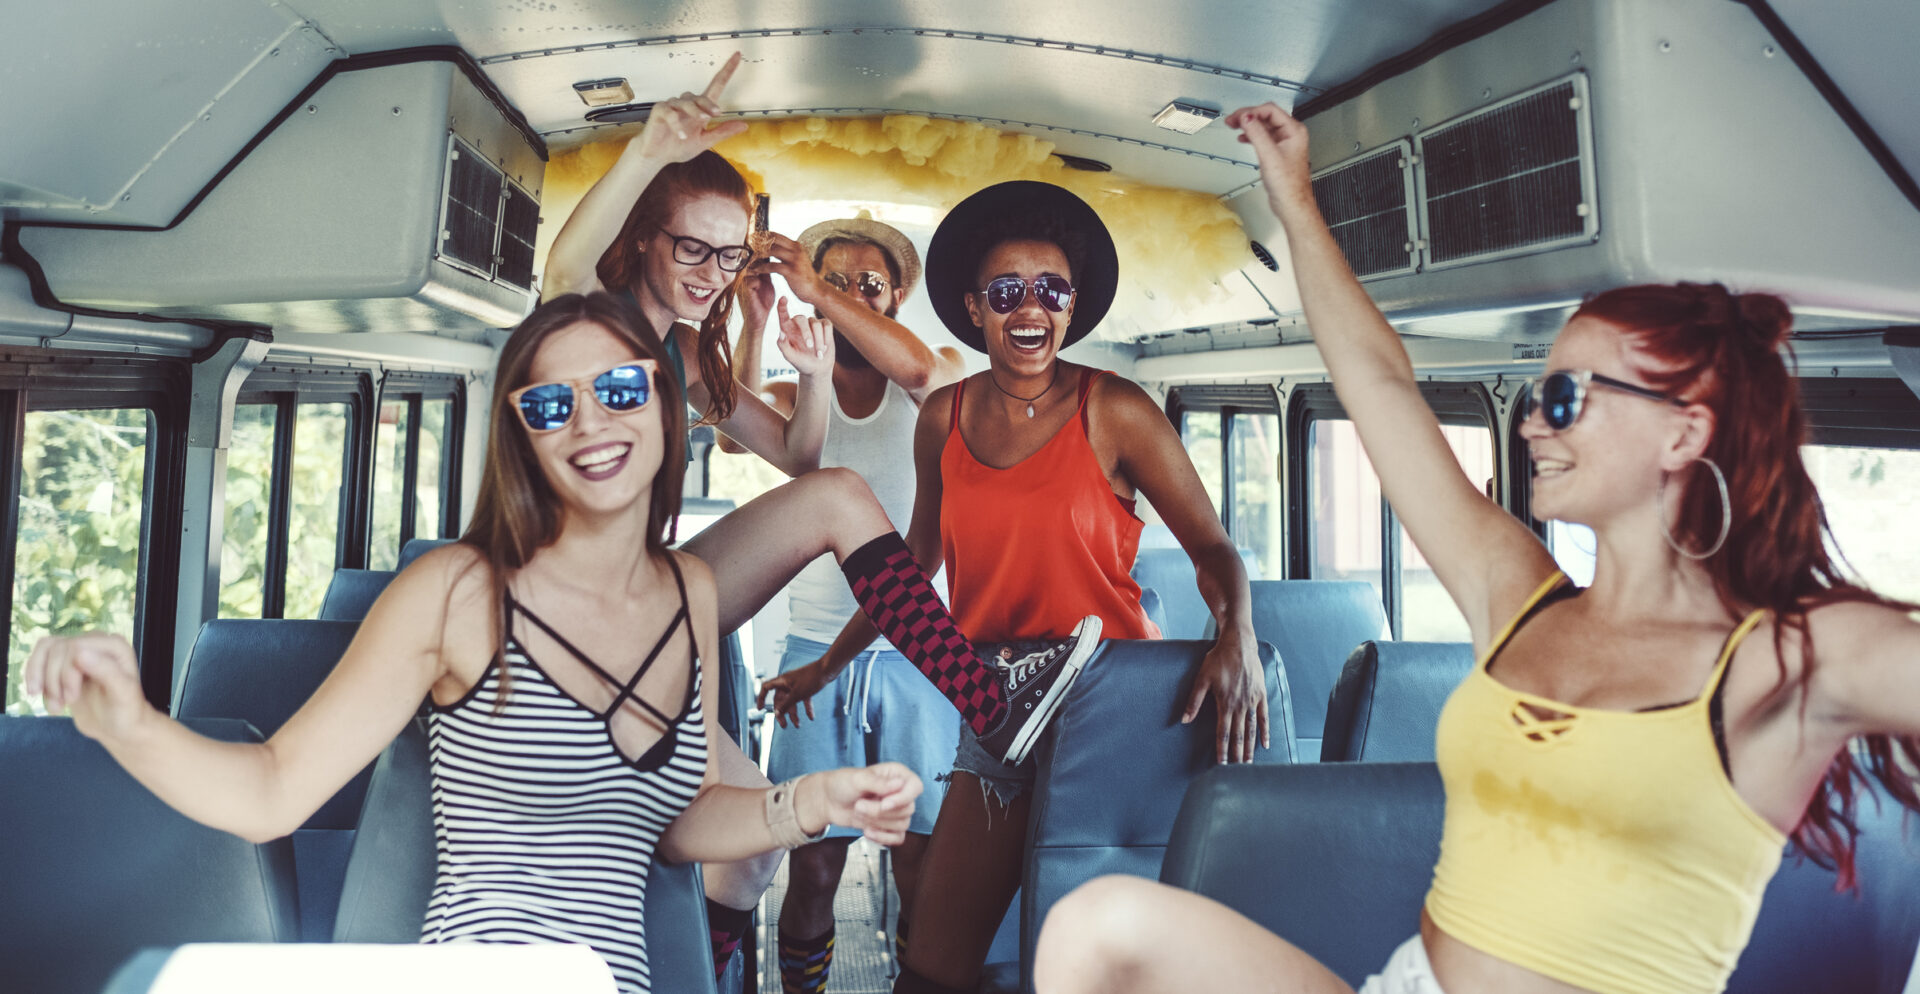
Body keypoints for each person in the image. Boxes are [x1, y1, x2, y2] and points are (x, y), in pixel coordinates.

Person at [1031, 102, 1920, 994]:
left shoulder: (1791, 658)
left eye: (1566, 400)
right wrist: (1294, 200)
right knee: (1102, 925)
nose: (1533, 421)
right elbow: (1380, 383)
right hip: (1412, 983)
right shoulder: (1518, 594)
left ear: (1684, 436)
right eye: (1534, 397)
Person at [22, 292, 924, 994]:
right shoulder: (454, 591)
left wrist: (811, 800)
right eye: (549, 405)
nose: (591, 424)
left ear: (663, 404)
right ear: (519, 436)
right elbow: (271, 793)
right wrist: (126, 724)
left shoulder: (688, 593)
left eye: (619, 391)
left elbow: (677, 823)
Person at [539, 55, 1103, 978]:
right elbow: (565, 265)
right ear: (644, 238)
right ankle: (993, 701)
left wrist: (793, 359)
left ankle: (989, 706)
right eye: (692, 249)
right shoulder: (600, 326)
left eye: (729, 256)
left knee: (753, 852)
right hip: (583, 609)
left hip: (657, 596)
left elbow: (805, 468)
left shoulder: (689, 352)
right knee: (771, 840)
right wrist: (647, 149)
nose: (711, 273)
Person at [762, 181, 1270, 994]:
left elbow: (1212, 548)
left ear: (1070, 309)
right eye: (1007, 292)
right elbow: (915, 560)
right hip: (993, 702)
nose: (1029, 308)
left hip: (1117, 712)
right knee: (932, 958)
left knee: (1114, 961)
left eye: (1051, 291)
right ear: (976, 307)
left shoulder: (1119, 410)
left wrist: (1235, 632)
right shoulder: (945, 418)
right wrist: (830, 665)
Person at [730, 214, 967, 994]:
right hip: (813, 647)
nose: (852, 295)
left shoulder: (927, 379)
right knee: (815, 866)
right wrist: (757, 321)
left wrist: (819, 295)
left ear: (896, 295)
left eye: (871, 284)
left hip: (917, 655)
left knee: (923, 861)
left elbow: (926, 372)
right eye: (836, 280)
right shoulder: (801, 386)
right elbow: (728, 427)